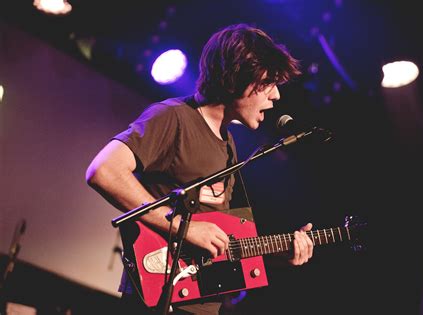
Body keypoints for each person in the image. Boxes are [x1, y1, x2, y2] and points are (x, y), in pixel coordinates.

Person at [85, 23, 314, 314]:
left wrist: (275, 255)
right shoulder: (174, 118)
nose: (276, 96)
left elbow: (216, 246)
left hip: (202, 305)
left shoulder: (228, 143)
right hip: (158, 301)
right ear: (237, 78)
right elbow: (103, 171)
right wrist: (184, 228)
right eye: (268, 83)